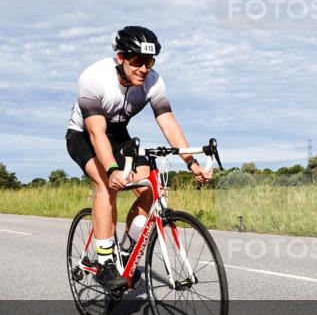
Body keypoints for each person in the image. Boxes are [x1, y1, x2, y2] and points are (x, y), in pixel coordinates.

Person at [66, 26, 211, 290]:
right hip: (85, 135)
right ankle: (105, 263)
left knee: (149, 188)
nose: (144, 69)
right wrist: (112, 170)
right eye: (137, 61)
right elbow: (97, 133)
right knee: (105, 185)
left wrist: (192, 163)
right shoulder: (94, 77)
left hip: (119, 134)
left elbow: (167, 122)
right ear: (120, 57)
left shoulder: (153, 81)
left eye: (150, 62)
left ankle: (125, 252)